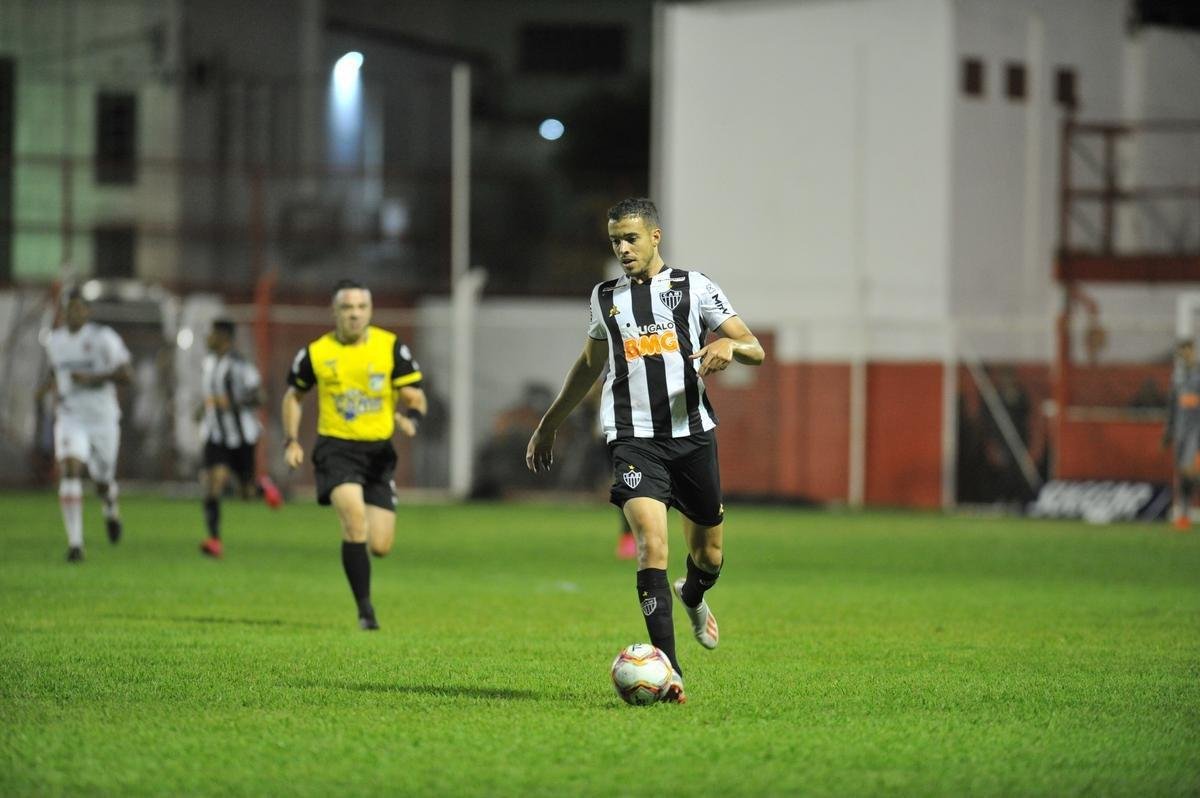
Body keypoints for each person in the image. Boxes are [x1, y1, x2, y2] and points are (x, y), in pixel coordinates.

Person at [525, 198, 764, 703]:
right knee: (651, 545)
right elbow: (590, 364)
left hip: (692, 435)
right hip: (632, 438)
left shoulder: (692, 287)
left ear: (656, 237)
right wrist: (549, 424)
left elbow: (754, 347)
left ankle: (694, 595)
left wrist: (728, 347)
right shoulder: (604, 297)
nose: (622, 248)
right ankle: (670, 670)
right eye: (615, 240)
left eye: (631, 238)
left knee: (710, 557)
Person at [282, 279, 427, 629]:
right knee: (354, 521)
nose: (355, 315)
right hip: (336, 449)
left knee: (380, 545)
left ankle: (365, 603)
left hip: (379, 453)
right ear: (335, 312)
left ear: (370, 311)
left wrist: (412, 417)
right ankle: (365, 611)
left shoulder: (389, 346)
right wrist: (292, 440)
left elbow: (415, 394)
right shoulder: (316, 352)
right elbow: (293, 397)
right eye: (347, 308)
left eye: (361, 308)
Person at [38, 289, 133, 562]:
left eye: (79, 309)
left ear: (88, 312)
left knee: (103, 481)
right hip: (70, 416)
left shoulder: (104, 338)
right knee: (70, 470)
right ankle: (76, 543)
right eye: (68, 309)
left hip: (103, 419)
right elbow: (55, 371)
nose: (72, 314)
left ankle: (110, 509)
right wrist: (45, 388)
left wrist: (92, 378)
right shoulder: (54, 341)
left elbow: (128, 375)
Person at [197, 318, 281, 558]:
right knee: (214, 482)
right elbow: (211, 396)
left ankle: (261, 487)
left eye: (212, 334)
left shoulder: (240, 366)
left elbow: (260, 397)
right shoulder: (208, 363)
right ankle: (214, 540)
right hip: (214, 435)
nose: (208, 338)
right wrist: (202, 409)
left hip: (242, 436)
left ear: (225, 338)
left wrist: (233, 403)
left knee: (246, 494)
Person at [1163, 338, 1200, 532]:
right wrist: (1167, 433)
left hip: (1197, 432)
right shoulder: (1177, 378)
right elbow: (1172, 408)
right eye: (1181, 352)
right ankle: (1184, 515)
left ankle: (1185, 514)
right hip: (1181, 434)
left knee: (1190, 473)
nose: (1184, 355)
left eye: (1187, 351)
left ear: (1193, 351)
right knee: (1184, 475)